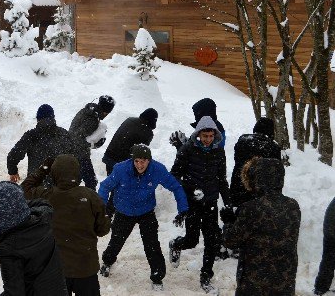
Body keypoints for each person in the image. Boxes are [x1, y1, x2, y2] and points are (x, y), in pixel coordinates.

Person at [97, 144, 188, 290]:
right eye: (137, 161)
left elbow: (176, 187)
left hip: (146, 211)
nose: (140, 165)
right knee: (116, 240)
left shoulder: (157, 169)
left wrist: (183, 208)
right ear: (132, 160)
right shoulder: (121, 169)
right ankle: (107, 262)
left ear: (149, 161)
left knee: (152, 244)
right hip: (124, 211)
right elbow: (104, 186)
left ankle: (157, 276)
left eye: (143, 161)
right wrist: (100, 207)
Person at [22, 155, 111, 296]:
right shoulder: (91, 196)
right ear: (77, 172)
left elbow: (25, 188)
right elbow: (103, 230)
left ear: (54, 174)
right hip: (85, 267)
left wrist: (44, 168)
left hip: (55, 269)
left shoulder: (45, 196)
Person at [169, 116, 231, 293]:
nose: (208, 139)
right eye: (205, 136)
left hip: (210, 203)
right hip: (193, 203)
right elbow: (174, 175)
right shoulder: (188, 149)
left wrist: (228, 204)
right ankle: (176, 244)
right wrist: (191, 188)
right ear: (198, 135)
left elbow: (222, 180)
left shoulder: (219, 152)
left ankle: (206, 277)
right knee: (192, 240)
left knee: (211, 242)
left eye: (211, 136)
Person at [222, 158, 300, 296]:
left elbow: (231, 241)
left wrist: (228, 223)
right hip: (285, 280)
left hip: (255, 283)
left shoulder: (251, 208)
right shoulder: (293, 206)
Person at [0, 181, 68, 296]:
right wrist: (18, 207)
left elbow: (14, 293)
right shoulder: (44, 219)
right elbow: (44, 204)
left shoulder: (7, 248)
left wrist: (5, 216)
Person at [7, 104, 81, 184]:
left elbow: (13, 155)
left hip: (36, 185)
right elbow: (76, 158)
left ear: (38, 119)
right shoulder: (64, 134)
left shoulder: (31, 135)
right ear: (53, 118)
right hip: (60, 187)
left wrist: (13, 171)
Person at [230, 117, 282, 208]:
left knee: (238, 215)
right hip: (261, 190)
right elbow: (276, 171)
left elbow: (237, 159)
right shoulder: (273, 147)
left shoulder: (243, 140)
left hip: (239, 184)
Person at [69, 95, 115, 190]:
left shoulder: (88, 111)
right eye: (108, 112)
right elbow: (76, 138)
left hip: (74, 151)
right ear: (105, 111)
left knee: (76, 179)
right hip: (79, 154)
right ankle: (88, 202)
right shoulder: (92, 119)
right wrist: (94, 144)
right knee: (91, 181)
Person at [102, 108, 157, 175]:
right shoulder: (147, 132)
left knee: (111, 181)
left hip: (109, 156)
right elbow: (141, 152)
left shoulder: (129, 120)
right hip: (122, 163)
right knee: (121, 183)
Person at [315, 197, 335, 295]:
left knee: (328, 261)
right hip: (332, 234)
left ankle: (320, 287)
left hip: (330, 233)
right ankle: (320, 287)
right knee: (328, 261)